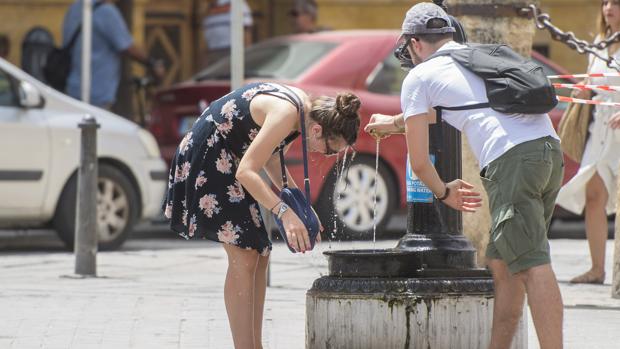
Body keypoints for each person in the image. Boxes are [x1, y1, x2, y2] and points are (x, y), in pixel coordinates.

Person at [365, 3, 564, 348]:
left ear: (413, 43)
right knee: (502, 265)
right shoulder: (473, 56)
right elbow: (442, 111)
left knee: (532, 263)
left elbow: (420, 162)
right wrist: (393, 124)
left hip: (512, 160)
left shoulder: (420, 75)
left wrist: (443, 192)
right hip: (547, 151)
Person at [162, 82, 360, 348]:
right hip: (209, 155)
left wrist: (301, 207)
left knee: (260, 252)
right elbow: (246, 172)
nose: (326, 155)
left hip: (231, 157)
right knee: (243, 255)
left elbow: (271, 160)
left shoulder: (302, 113)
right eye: (330, 149)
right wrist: (284, 212)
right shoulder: (287, 113)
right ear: (317, 130)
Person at [556, 0, 620, 285]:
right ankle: (597, 269)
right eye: (606, 2)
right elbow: (592, 86)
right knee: (594, 197)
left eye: (616, 3)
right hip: (600, 129)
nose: (609, 8)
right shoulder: (599, 43)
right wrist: (579, 93)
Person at [62, 0, 164, 109]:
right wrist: (152, 63)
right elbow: (127, 47)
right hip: (96, 91)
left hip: (72, 88)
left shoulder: (75, 8)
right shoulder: (106, 12)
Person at [202, 0, 253, 66]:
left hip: (232, 51)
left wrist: (246, 54)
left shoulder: (236, 3)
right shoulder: (208, 7)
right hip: (212, 51)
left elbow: (246, 30)